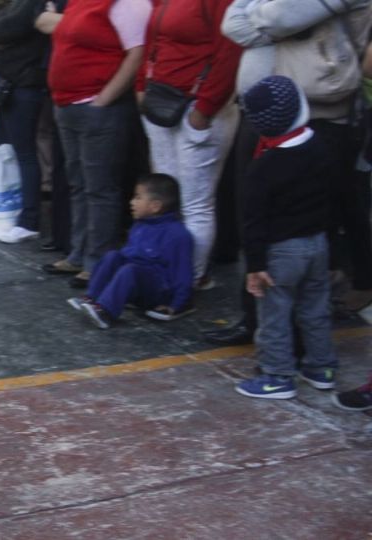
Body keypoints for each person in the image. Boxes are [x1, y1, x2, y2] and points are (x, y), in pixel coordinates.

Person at [210, 0, 372, 346]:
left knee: (299, 227)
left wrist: (259, 19)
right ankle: (254, 320)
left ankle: (295, 341)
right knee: (253, 216)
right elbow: (231, 24)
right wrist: (263, 21)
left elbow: (280, 17)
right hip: (265, 114)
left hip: (320, 116)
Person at [233, 76, 338, 400]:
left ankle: (277, 374)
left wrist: (255, 265)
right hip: (317, 244)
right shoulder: (320, 146)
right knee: (315, 308)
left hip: (280, 252)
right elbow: (335, 199)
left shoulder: (264, 166)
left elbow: (253, 221)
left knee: (275, 314)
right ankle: (322, 367)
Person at [41, 0, 150, 289]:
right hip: (68, 104)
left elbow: (137, 53)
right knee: (78, 184)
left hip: (97, 107)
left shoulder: (127, 4)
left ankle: (97, 260)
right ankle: (79, 254)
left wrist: (104, 99)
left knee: (100, 188)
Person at [136, 0, 242, 289]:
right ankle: (168, 272)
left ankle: (190, 278)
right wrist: (141, 87)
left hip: (197, 110)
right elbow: (152, 38)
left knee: (195, 203)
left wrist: (205, 108)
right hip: (162, 103)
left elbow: (231, 51)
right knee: (169, 198)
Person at [69, 173, 194, 329]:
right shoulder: (140, 225)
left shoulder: (177, 235)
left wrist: (176, 305)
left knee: (131, 269)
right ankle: (92, 298)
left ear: (155, 206)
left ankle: (105, 313)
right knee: (113, 256)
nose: (132, 202)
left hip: (157, 291)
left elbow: (183, 275)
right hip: (135, 284)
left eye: (137, 197)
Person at [0, 0, 49, 243]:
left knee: (24, 154)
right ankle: (3, 214)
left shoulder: (31, 4)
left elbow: (12, 26)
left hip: (24, 86)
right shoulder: (3, 5)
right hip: (1, 85)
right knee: (3, 151)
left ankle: (28, 219)